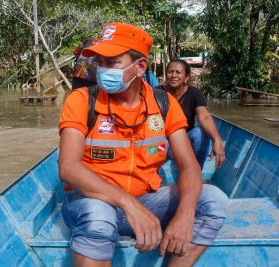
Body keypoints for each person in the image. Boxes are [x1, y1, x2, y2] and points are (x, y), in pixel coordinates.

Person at [59, 22, 228, 267]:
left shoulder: (164, 103)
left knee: (213, 199)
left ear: (139, 67)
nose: (102, 70)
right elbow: (68, 168)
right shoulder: (82, 99)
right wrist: (128, 204)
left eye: (112, 62)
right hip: (92, 200)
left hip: (146, 199)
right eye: (100, 62)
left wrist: (184, 214)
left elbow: (189, 165)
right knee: (99, 217)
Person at [159, 59, 225, 168]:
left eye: (178, 72)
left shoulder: (194, 93)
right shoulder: (157, 93)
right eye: (170, 72)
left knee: (201, 133)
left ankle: (196, 171)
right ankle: (152, 174)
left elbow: (204, 117)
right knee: (156, 143)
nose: (174, 75)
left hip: (185, 144)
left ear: (187, 78)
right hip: (163, 146)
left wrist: (217, 140)